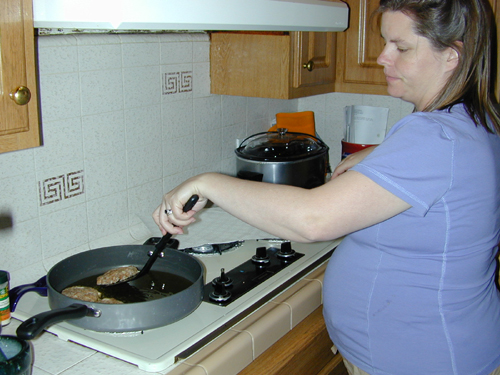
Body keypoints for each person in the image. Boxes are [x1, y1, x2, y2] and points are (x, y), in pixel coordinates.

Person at [153, 0, 500, 373]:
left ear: (452, 56)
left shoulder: (434, 137)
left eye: (401, 48)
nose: (382, 57)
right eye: (385, 42)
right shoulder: (476, 120)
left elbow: (313, 220)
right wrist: (377, 155)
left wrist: (208, 183)